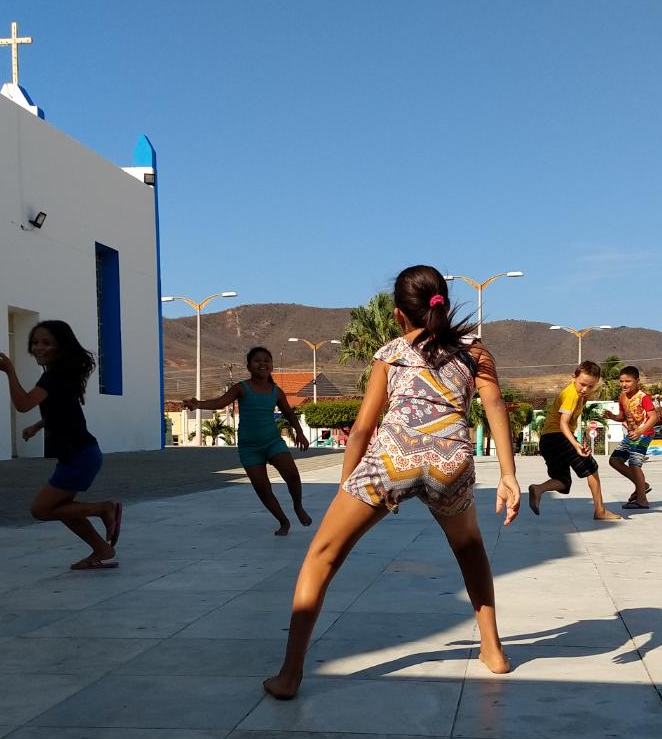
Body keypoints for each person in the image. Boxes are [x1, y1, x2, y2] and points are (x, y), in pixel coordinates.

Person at [263, 265, 520, 700]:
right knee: (470, 548)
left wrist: (346, 485)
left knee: (322, 556)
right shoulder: (475, 352)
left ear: (399, 313)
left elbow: (363, 429)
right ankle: (493, 651)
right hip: (450, 462)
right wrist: (508, 475)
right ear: (443, 302)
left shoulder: (390, 353)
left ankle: (289, 675)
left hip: (391, 459)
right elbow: (495, 406)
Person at [0, 321, 121, 570]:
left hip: (79, 456)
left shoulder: (52, 377)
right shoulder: (61, 376)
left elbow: (23, 404)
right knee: (61, 508)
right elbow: (61, 412)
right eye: (35, 342)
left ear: (61, 347)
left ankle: (104, 508)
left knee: (41, 509)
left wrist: (9, 370)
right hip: (79, 454)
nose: (39, 347)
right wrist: (37, 427)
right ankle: (101, 548)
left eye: (47, 343)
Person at [184, 346, 311, 536]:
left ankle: (298, 506)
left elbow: (289, 414)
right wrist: (199, 404)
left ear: (271, 366)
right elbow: (220, 402)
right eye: (257, 361)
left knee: (292, 474)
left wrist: (299, 432)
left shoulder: (276, 392)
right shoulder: (241, 388)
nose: (262, 364)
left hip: (273, 442)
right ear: (249, 366)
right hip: (249, 448)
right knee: (262, 488)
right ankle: (283, 521)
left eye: (266, 361)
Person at [527, 362, 622, 521]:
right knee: (591, 468)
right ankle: (600, 511)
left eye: (590, 386)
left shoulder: (580, 394)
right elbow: (563, 423)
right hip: (558, 436)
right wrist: (575, 444)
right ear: (573, 378)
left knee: (564, 483)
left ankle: (538, 489)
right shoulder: (572, 395)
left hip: (548, 440)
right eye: (582, 384)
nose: (585, 389)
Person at [605, 366, 658, 509]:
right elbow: (622, 416)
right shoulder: (622, 397)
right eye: (621, 381)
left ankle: (642, 500)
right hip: (631, 435)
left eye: (628, 381)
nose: (624, 384)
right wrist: (612, 416)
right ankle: (642, 485)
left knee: (634, 464)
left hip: (644, 434)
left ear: (637, 381)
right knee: (615, 460)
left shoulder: (643, 397)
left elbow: (654, 417)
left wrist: (640, 431)